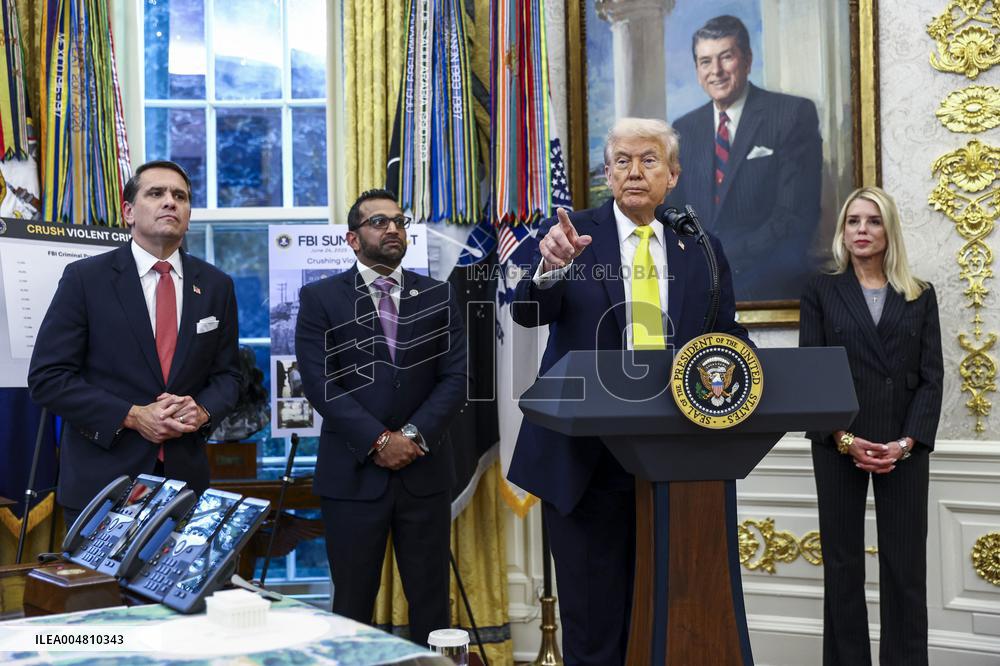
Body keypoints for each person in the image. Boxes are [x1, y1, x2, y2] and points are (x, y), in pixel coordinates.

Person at [509, 118, 749, 665]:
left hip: (675, 458)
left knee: (669, 618)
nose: (633, 171)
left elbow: (723, 333)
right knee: (595, 628)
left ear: (673, 174)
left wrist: (745, 364)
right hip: (585, 458)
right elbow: (527, 313)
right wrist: (549, 268)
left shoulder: (701, 247)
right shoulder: (571, 234)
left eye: (647, 160)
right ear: (607, 172)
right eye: (621, 160)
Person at [295, 188, 467, 647]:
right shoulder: (320, 298)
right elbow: (320, 384)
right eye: (378, 222)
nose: (392, 228)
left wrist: (410, 436)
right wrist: (378, 441)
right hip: (352, 476)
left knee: (431, 603)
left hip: (424, 473)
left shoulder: (438, 294)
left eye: (398, 221)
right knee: (352, 604)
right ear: (352, 239)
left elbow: (455, 379)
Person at [28, 160, 242, 526]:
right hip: (103, 485)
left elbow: (229, 378)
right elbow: (48, 377)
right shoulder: (86, 279)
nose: (170, 203)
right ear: (128, 211)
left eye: (180, 196)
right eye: (156, 193)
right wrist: (131, 416)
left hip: (185, 486)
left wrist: (203, 410)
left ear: (189, 214)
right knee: (101, 587)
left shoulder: (216, 285)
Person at [799, 186, 942, 666]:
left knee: (905, 570)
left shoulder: (919, 295)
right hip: (839, 442)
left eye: (873, 221)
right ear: (843, 231)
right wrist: (842, 438)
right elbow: (812, 375)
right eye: (853, 221)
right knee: (842, 567)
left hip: (902, 446)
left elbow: (931, 378)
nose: (862, 230)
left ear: (888, 230)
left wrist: (905, 442)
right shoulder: (821, 290)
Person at [666, 14, 822, 301]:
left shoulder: (791, 114)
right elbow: (674, 211)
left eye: (726, 57)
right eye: (705, 61)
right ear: (697, 70)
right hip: (699, 286)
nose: (716, 71)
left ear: (747, 60)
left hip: (771, 283)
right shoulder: (684, 129)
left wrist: (724, 257)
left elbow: (795, 214)